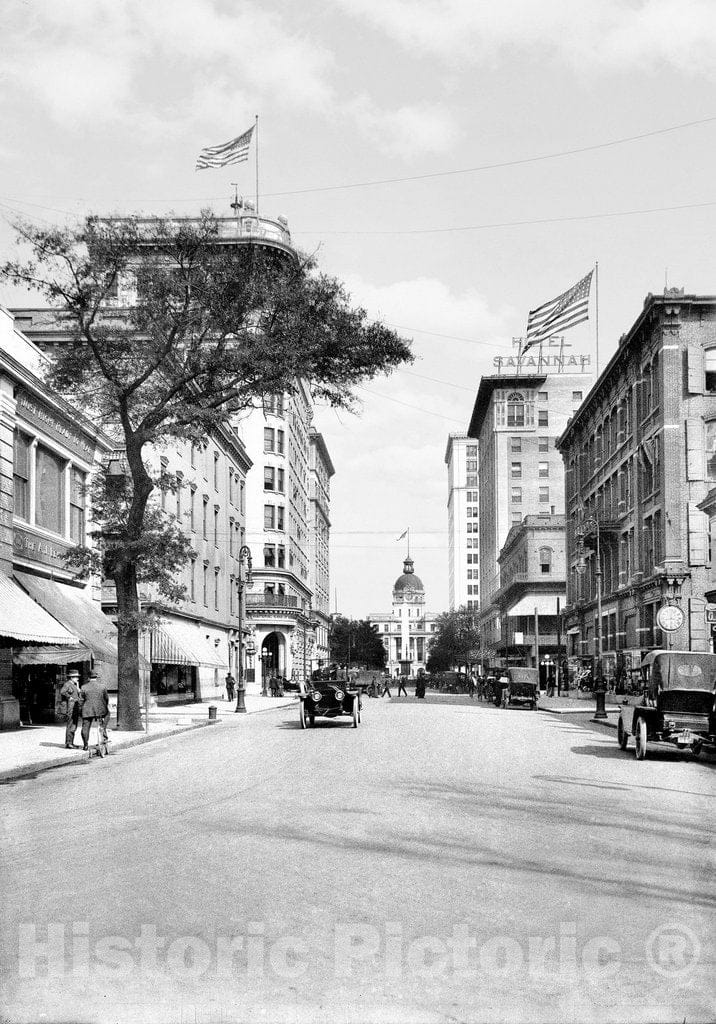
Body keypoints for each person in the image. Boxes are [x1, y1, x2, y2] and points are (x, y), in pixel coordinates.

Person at [79, 670, 110, 751]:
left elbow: (81, 701)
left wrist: (81, 710)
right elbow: (106, 699)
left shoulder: (83, 687)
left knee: (85, 727)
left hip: (87, 710)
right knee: (107, 714)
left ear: (88, 678)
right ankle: (103, 728)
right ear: (96, 677)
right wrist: (104, 706)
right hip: (100, 710)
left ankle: (85, 745)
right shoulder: (102, 686)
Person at [60, 669, 81, 748]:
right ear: (71, 677)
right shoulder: (67, 684)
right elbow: (62, 692)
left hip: (74, 707)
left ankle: (71, 742)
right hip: (70, 707)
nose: (77, 678)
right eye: (76, 677)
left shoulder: (74, 684)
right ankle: (69, 743)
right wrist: (70, 697)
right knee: (71, 725)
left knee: (73, 725)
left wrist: (77, 687)